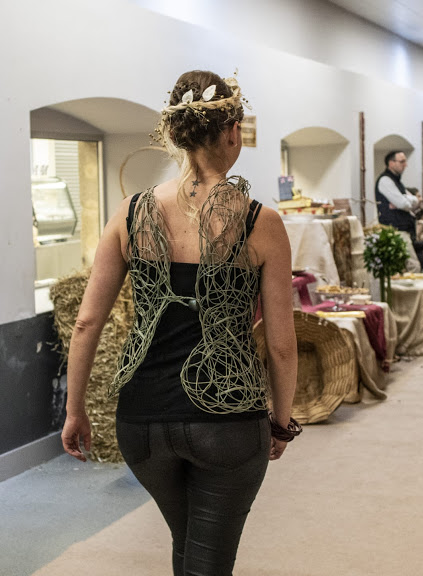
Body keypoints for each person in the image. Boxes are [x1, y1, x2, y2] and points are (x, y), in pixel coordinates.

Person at [61, 70, 299, 576]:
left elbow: (86, 322)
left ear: (173, 132)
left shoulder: (130, 213)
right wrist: (282, 421)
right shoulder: (261, 222)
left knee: (188, 541)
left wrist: (74, 409)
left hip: (142, 420)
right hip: (227, 420)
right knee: (207, 557)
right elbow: (281, 344)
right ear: (232, 132)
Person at [375, 150, 422, 272]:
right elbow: (403, 204)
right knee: (413, 266)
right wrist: (406, 201)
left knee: (404, 268)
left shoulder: (397, 181)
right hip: (395, 230)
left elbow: (416, 201)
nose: (405, 165)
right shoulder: (385, 180)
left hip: (402, 229)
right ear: (391, 163)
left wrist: (405, 199)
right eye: (402, 162)